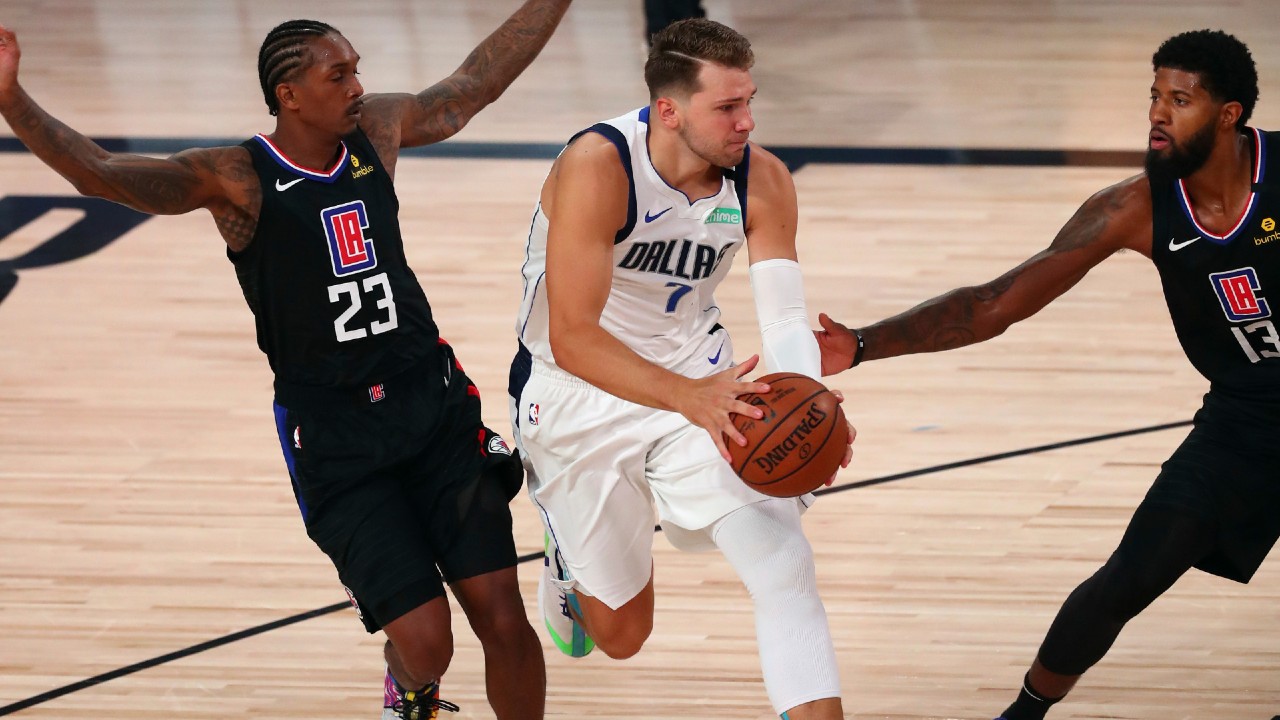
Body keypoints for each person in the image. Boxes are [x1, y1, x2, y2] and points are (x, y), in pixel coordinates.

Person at [0, 2, 572, 718]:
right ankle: (412, 687)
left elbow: (472, 87)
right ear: (288, 96)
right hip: (337, 438)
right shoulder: (236, 177)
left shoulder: (375, 131)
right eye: (340, 74)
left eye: (358, 69)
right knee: (429, 641)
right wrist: (10, 99)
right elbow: (104, 174)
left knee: (505, 621)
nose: (357, 85)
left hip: (433, 409)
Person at [813, 29, 1278, 720]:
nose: (1157, 113)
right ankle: (1022, 715)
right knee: (1133, 572)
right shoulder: (1134, 208)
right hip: (1245, 418)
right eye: (1154, 95)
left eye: (1180, 100)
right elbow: (994, 304)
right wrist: (859, 343)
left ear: (1229, 114)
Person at [508, 18, 854, 720]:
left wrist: (814, 402)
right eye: (727, 108)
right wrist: (685, 396)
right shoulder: (598, 165)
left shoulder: (764, 179)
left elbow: (786, 320)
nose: (746, 121)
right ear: (669, 111)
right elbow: (573, 337)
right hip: (577, 393)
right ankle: (568, 558)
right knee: (623, 637)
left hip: (704, 382)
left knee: (784, 567)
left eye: (749, 100)